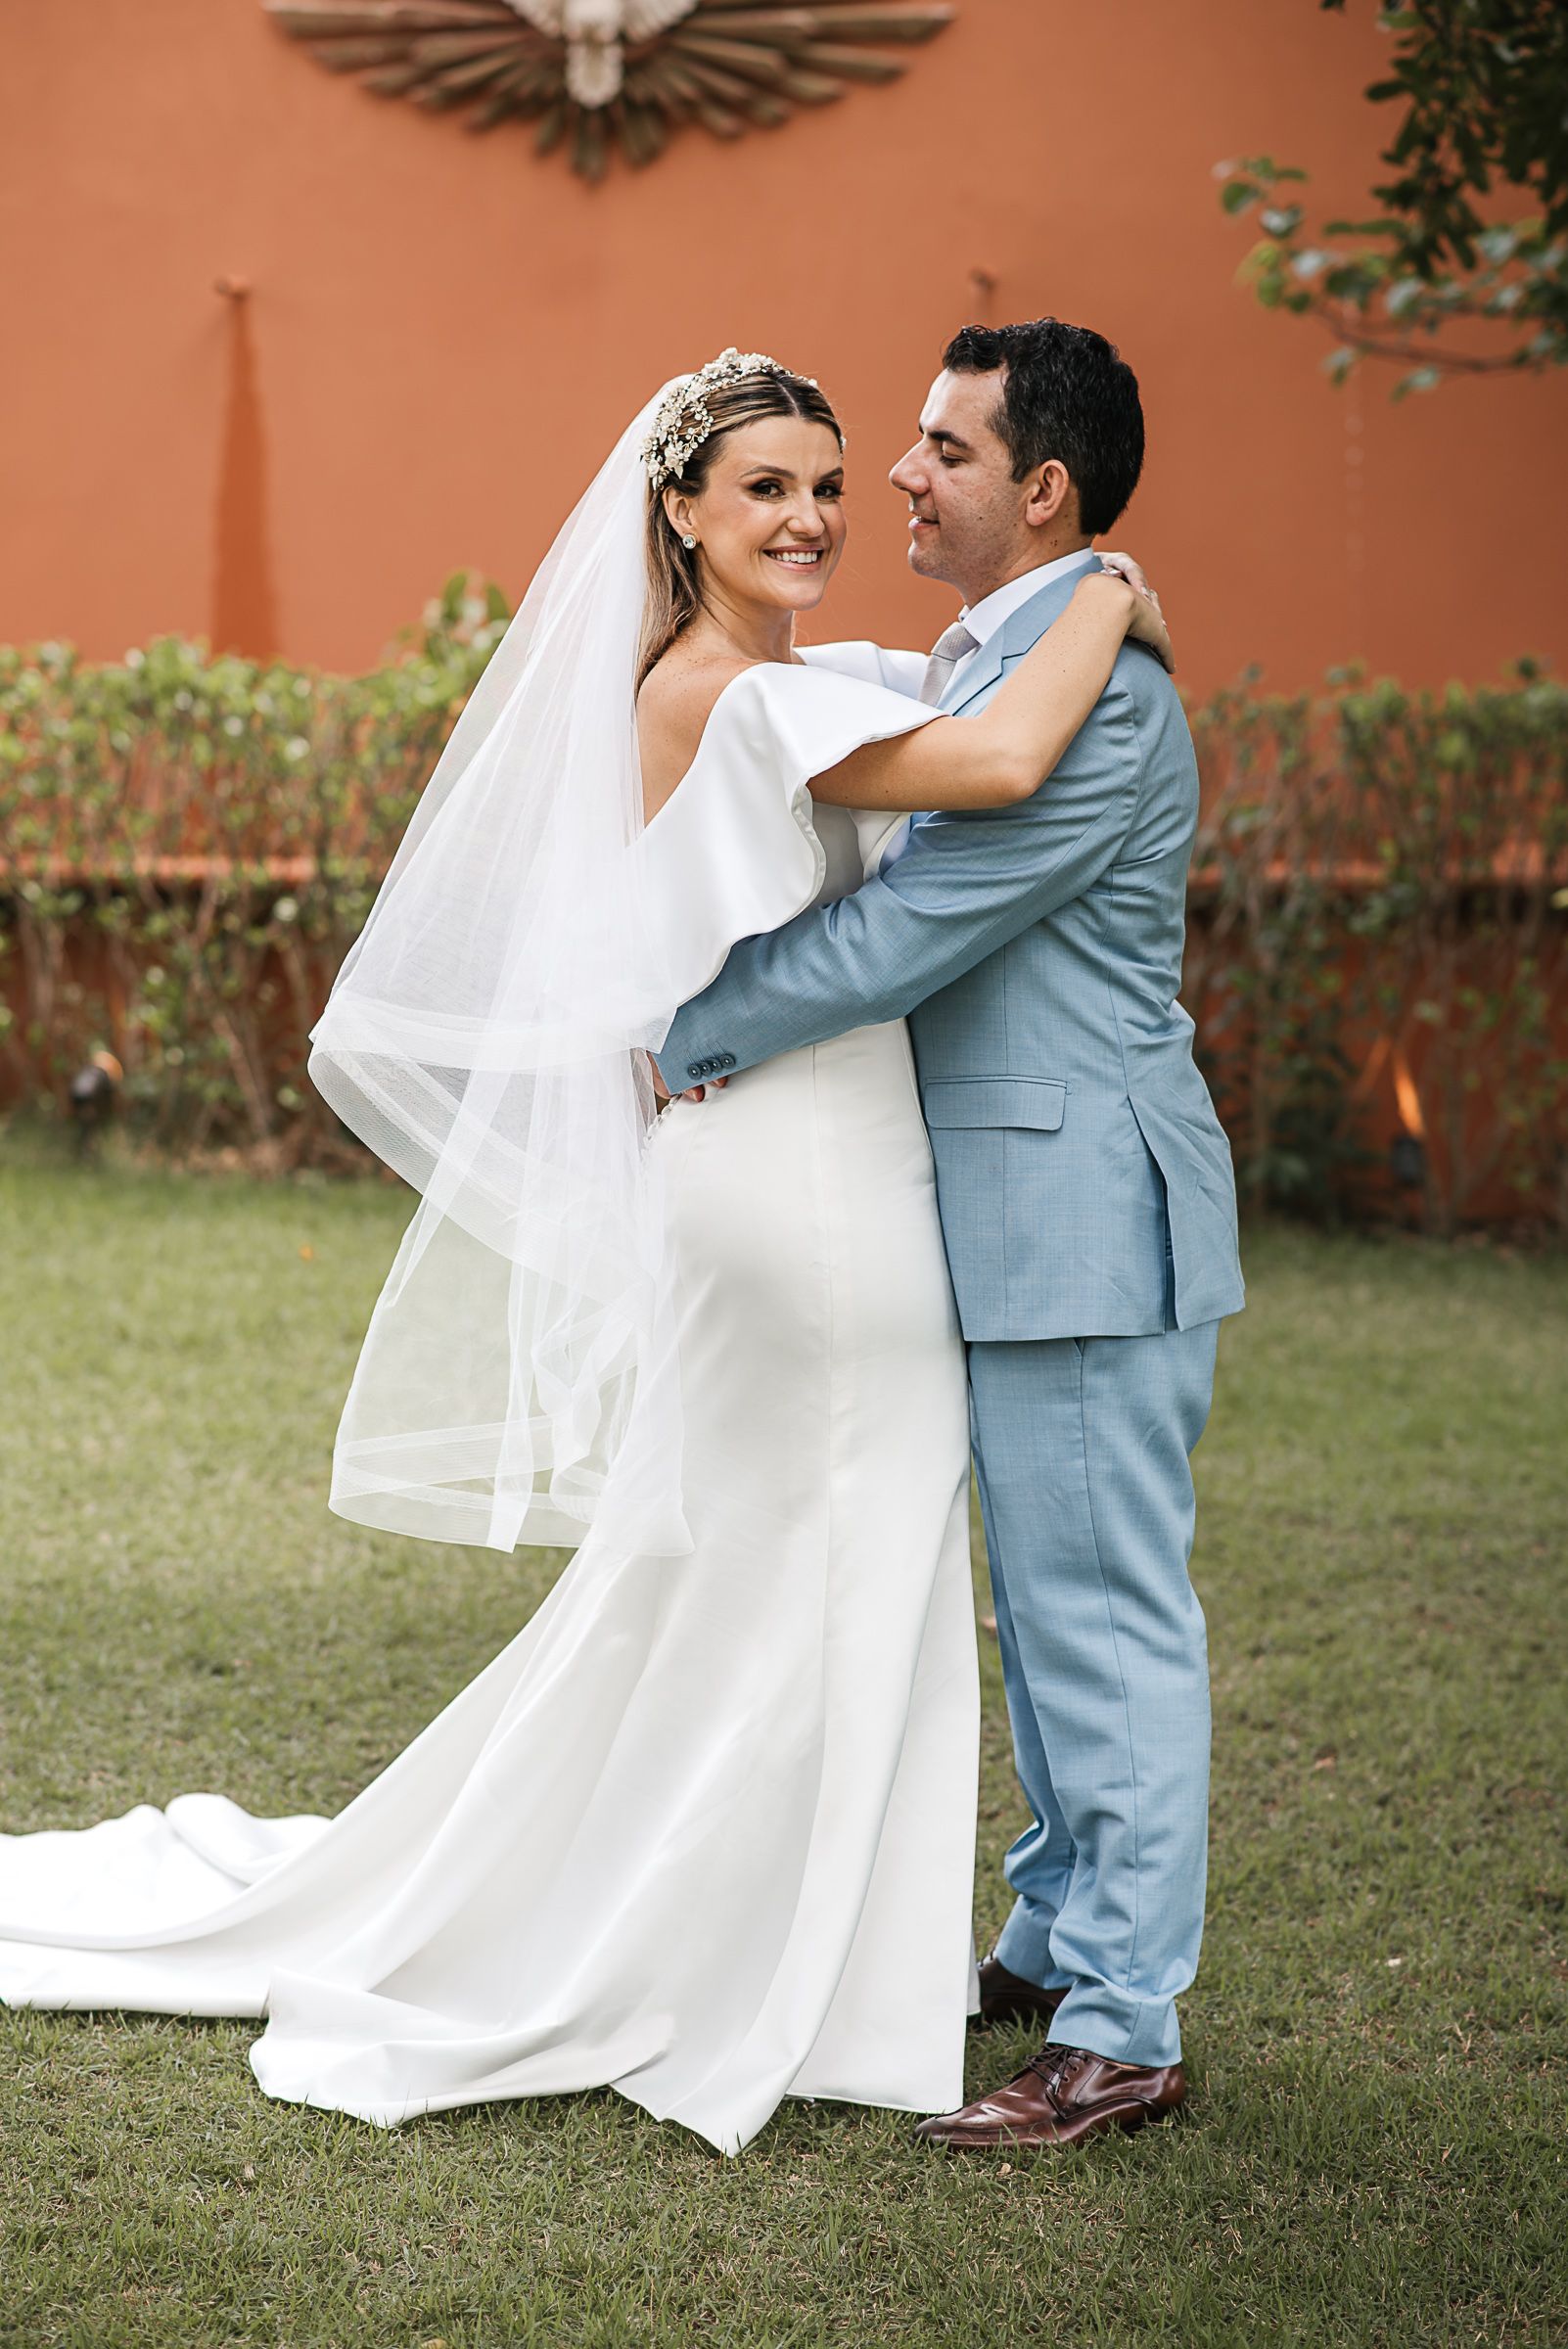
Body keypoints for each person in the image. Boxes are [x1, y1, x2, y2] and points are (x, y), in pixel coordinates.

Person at [0, 348, 1170, 2157]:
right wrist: (1105, 586)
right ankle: (753, 1943)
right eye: (764, 488)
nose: (813, 517)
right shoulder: (756, 702)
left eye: (832, 485)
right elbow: (1002, 746)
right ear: (680, 510)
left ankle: (788, 1920)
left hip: (789, 1168)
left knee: (771, 1556)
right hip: (801, 1185)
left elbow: (935, 678)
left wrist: (1051, 604)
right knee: (825, 1543)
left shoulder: (747, 684)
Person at [658, 321, 1246, 2151]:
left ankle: (1122, 2027)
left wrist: (697, 1021)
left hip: (1082, 1206)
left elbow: (919, 929)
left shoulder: (1096, 704)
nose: (894, 479)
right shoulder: (1014, 652)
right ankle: (1056, 1934)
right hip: (1021, 1201)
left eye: (936, 450)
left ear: (1038, 490)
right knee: (1048, 1601)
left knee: (1098, 1617)